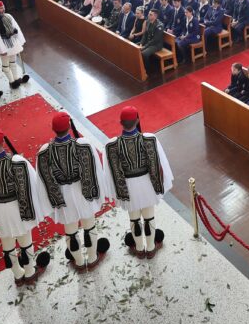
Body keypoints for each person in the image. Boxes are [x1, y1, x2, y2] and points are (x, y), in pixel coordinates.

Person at [0, 127, 51, 285]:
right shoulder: (17, 162)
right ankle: (29, 272)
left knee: (6, 243)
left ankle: (17, 274)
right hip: (18, 208)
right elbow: (32, 186)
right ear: (2, 143)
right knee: (25, 240)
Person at [36, 112, 112, 271]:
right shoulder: (83, 145)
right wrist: (97, 193)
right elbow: (95, 170)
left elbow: (43, 181)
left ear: (52, 129)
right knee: (89, 227)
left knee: (70, 232)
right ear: (69, 127)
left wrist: (51, 201)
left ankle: (78, 262)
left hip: (62, 195)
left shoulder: (44, 152)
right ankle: (92, 258)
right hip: (83, 192)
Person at [104, 106, 173, 257]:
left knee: (134, 219)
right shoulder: (150, 138)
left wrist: (116, 192)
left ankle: (139, 249)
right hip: (147, 184)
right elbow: (161, 164)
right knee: (149, 217)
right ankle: (150, 248)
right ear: (137, 120)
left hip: (128, 187)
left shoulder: (111, 145)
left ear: (120, 122)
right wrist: (160, 185)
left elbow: (110, 172)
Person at [0, 1, 29, 89]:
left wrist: (17, 36)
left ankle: (16, 78)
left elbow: (16, 27)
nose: (3, 9)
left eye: (3, 7)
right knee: (5, 65)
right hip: (3, 46)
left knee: (13, 62)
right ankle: (11, 81)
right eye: (1, 8)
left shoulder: (8, 16)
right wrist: (1, 50)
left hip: (12, 43)